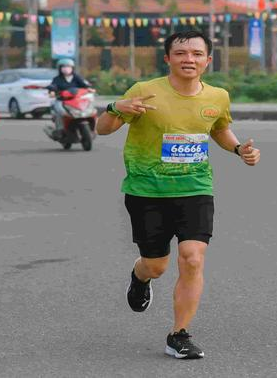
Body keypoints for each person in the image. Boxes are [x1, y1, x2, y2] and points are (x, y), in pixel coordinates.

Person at [95, 30, 261, 359]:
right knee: (156, 265)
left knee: (193, 258)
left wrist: (239, 148)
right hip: (147, 191)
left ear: (208, 61)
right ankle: (140, 276)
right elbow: (103, 129)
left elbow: (219, 129)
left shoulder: (218, 96)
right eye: (182, 53)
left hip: (195, 188)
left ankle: (179, 334)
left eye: (197, 54)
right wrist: (116, 107)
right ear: (168, 58)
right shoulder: (145, 91)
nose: (189, 59)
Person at [47, 58, 94, 133]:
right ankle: (60, 129)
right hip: (61, 100)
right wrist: (52, 91)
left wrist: (89, 88)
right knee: (60, 112)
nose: (66, 69)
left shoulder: (76, 77)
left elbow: (84, 85)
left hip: (76, 99)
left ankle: (92, 127)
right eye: (64, 67)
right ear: (59, 68)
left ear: (72, 68)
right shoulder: (57, 79)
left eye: (69, 66)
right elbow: (53, 86)